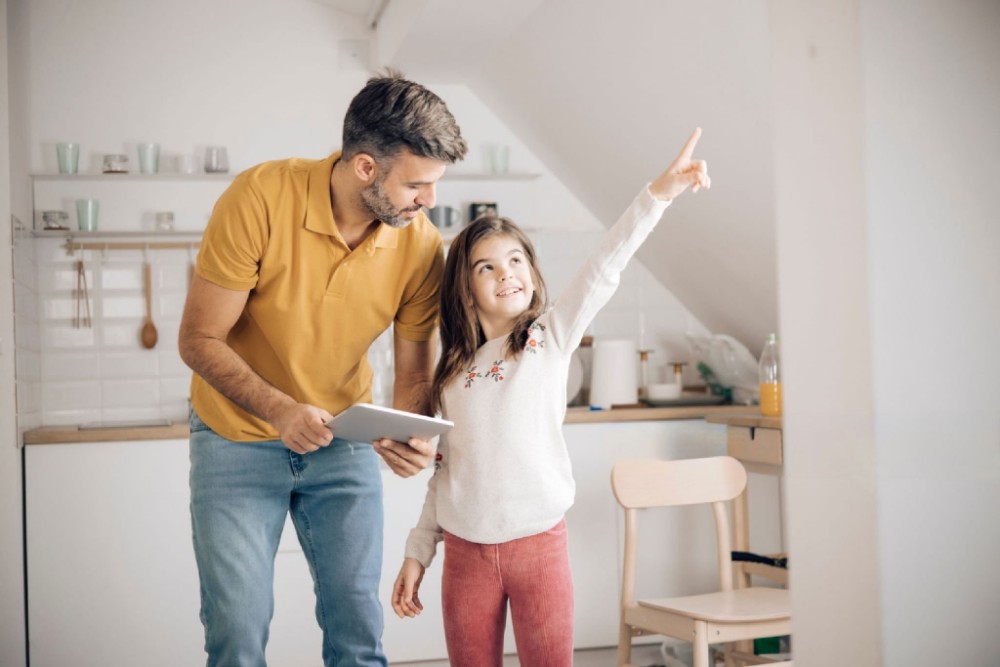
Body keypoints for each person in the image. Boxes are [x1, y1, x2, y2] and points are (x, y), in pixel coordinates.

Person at [178, 70, 467, 667]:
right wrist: (281, 409)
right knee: (236, 628)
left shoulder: (419, 245)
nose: (429, 201)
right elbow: (198, 338)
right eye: (417, 184)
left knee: (358, 626)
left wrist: (409, 431)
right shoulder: (259, 197)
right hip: (235, 438)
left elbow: (413, 371)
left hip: (343, 442)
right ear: (366, 167)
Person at [390, 129, 711, 666]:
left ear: (533, 275)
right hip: (465, 556)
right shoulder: (449, 375)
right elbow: (442, 473)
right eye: (485, 267)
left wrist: (659, 193)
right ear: (465, 289)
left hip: (539, 547)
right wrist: (417, 552)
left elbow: (606, 264)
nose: (505, 274)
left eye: (515, 261)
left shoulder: (548, 337)